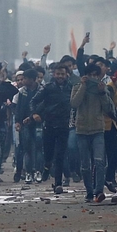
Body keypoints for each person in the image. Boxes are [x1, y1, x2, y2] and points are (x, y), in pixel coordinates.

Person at [71, 63, 114, 203]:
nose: (93, 78)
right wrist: (83, 86)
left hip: (98, 129)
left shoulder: (103, 88)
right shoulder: (77, 86)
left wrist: (102, 93)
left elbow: (108, 108)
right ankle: (89, 191)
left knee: (99, 161)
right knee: (85, 164)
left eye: (96, 75)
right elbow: (74, 103)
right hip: (82, 129)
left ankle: (99, 191)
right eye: (91, 75)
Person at [30, 65, 72, 193]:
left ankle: (58, 183)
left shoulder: (71, 88)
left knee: (60, 155)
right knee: (48, 152)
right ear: (54, 74)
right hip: (49, 124)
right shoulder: (47, 88)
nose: (60, 76)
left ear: (66, 75)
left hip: (64, 126)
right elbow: (33, 101)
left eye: (62, 74)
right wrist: (35, 114)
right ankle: (47, 166)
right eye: (58, 74)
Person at [14, 69, 41, 184]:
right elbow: (19, 108)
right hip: (25, 124)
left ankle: (38, 171)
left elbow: (41, 106)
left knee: (39, 148)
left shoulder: (41, 90)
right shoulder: (22, 92)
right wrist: (18, 121)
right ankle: (28, 172)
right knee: (27, 149)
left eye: (25, 78)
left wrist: (31, 117)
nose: (23, 80)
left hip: (39, 122)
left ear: (32, 79)